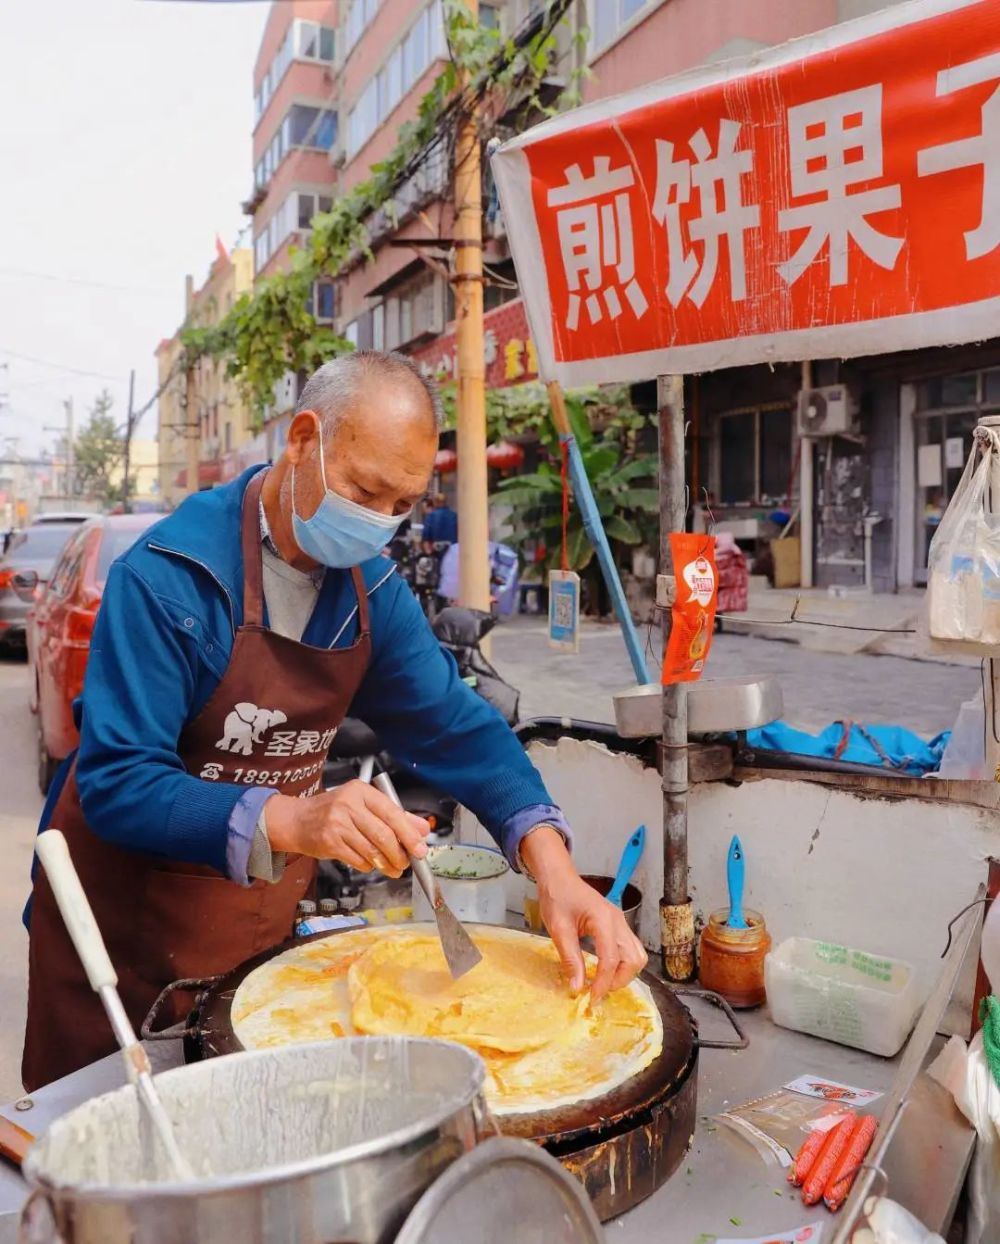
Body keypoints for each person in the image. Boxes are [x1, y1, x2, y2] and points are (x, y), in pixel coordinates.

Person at [21, 351, 645, 1090]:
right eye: (364, 491)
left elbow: (456, 726)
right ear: (302, 439)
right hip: (113, 950)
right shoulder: (169, 579)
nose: (379, 523)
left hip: (247, 939)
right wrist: (291, 820)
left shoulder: (369, 590)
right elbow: (118, 781)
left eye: (401, 503)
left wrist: (554, 867)